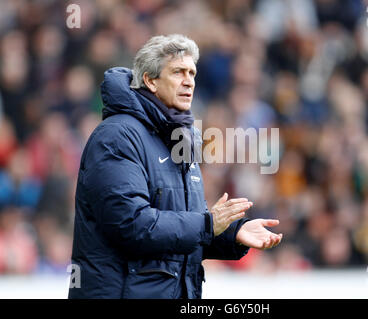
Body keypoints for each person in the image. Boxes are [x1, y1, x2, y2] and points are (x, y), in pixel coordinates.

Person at [68, 34, 282, 299]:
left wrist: (232, 233)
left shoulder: (181, 139)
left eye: (192, 72)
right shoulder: (117, 136)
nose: (189, 81)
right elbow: (132, 225)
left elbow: (183, 233)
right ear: (150, 80)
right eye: (178, 72)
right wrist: (208, 224)